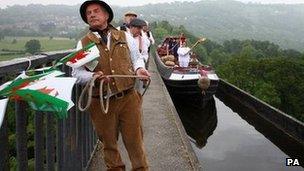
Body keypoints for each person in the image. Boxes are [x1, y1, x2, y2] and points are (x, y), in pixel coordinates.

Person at [73, 1, 150, 170]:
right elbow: (76, 74)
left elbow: (136, 57)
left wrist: (140, 69)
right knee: (109, 145)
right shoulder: (83, 43)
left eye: (96, 11)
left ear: (106, 15)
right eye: (88, 13)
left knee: (135, 142)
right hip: (101, 103)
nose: (92, 14)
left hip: (129, 98)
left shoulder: (124, 36)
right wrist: (93, 76)